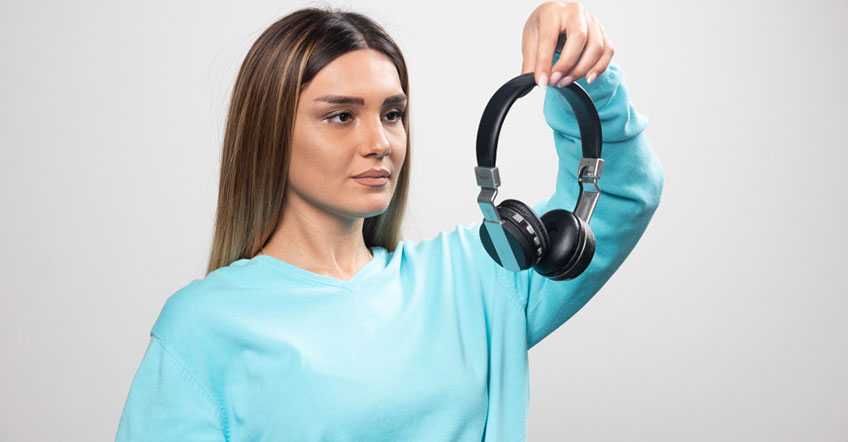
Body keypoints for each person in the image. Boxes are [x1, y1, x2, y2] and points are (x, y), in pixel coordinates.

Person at [114, 3, 664, 441]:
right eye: (340, 116)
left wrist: (582, 72)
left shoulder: (479, 275)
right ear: (271, 133)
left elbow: (620, 192)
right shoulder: (202, 326)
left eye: (392, 114)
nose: (379, 143)